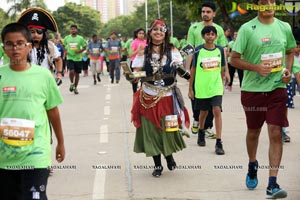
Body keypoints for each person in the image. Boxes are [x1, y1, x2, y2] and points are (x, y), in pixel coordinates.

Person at [230, 0, 296, 198]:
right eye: (263, 1)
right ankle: (252, 164)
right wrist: (256, 67)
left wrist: (288, 71)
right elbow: (234, 59)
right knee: (253, 133)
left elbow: (291, 51)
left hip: (277, 88)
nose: (269, 4)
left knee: (276, 133)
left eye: (272, 1)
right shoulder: (247, 29)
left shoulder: (284, 27)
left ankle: (272, 184)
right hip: (253, 91)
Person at [0, 22, 65, 200]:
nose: (15, 48)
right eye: (9, 44)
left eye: (20, 43)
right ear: (4, 47)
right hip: (5, 157)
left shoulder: (43, 76)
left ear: (29, 46)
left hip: (36, 154)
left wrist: (60, 142)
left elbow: (53, 111)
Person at [131, 19, 190, 177]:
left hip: (168, 98)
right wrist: (133, 77)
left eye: (161, 30)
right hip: (148, 98)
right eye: (155, 29)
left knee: (168, 130)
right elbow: (136, 72)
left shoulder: (172, 50)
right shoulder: (143, 51)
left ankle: (169, 157)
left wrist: (186, 74)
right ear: (150, 32)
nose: (158, 32)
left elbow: (180, 70)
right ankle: (157, 165)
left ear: (166, 33)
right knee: (151, 132)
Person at [186, 1, 229, 138]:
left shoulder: (219, 30)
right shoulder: (193, 28)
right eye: (203, 11)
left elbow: (223, 53)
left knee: (214, 102)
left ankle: (208, 126)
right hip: (197, 70)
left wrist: (226, 71)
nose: (205, 14)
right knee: (196, 98)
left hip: (213, 71)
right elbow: (189, 50)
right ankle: (196, 119)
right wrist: (187, 69)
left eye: (208, 12)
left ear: (214, 14)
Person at [188, 26, 226, 155]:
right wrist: (190, 88)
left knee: (216, 110)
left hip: (216, 87)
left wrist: (222, 85)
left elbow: (222, 68)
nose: (210, 36)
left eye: (212, 34)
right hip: (201, 87)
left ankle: (219, 142)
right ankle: (201, 131)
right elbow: (193, 69)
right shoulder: (198, 50)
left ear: (216, 36)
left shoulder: (220, 50)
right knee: (203, 112)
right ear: (203, 36)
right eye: (207, 34)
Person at [17, 7, 63, 86]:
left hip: (46, 83)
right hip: (27, 83)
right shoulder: (22, 47)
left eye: (39, 32)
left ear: (44, 34)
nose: (35, 35)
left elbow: (58, 60)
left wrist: (59, 74)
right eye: (32, 32)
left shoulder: (50, 46)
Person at [63, 24, 87, 95]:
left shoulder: (80, 38)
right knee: (71, 71)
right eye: (72, 29)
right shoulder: (67, 38)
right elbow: (63, 45)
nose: (73, 30)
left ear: (76, 30)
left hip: (78, 58)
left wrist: (79, 51)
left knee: (77, 74)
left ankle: (75, 87)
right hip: (70, 57)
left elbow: (85, 47)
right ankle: (71, 83)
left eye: (74, 29)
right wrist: (65, 51)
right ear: (70, 30)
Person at [129, 28, 147, 93]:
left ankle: (142, 96)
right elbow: (131, 54)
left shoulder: (146, 42)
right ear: (136, 34)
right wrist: (138, 50)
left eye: (143, 33)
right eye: (140, 33)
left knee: (144, 81)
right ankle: (135, 94)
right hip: (135, 64)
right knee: (135, 81)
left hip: (144, 64)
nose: (142, 35)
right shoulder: (134, 42)